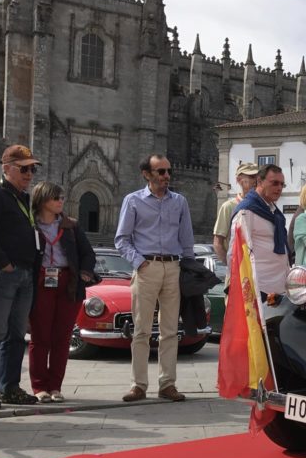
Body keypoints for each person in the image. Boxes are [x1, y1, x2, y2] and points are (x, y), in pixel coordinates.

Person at [115, 154, 195, 403]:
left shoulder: (179, 201)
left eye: (168, 171)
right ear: (147, 174)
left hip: (173, 267)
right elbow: (121, 239)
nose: (166, 176)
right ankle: (138, 385)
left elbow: (187, 239)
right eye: (161, 172)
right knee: (141, 330)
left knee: (170, 330)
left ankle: (167, 384)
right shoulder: (133, 201)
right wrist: (140, 262)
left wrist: (189, 268)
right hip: (146, 267)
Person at [0, 144, 43, 409]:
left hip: (24, 272)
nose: (29, 173)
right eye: (24, 168)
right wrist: (4, 264)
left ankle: (10, 387)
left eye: (32, 169)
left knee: (16, 335)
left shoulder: (24, 198)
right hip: (4, 272)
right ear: (6, 169)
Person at [28, 181, 97, 403]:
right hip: (40, 281)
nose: (61, 201)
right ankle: (39, 387)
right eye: (56, 197)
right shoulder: (30, 225)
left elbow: (87, 253)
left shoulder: (71, 225)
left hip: (68, 282)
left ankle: (55, 386)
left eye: (62, 198)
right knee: (40, 337)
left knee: (62, 338)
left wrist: (85, 273)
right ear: (42, 200)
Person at [230, 163, 290, 297]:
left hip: (279, 289)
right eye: (274, 183)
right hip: (257, 291)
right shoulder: (247, 211)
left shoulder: (274, 212)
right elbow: (234, 254)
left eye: (282, 184)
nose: (279, 188)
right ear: (259, 181)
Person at [213, 162, 258, 263]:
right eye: (251, 176)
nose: (256, 180)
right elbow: (217, 243)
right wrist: (231, 266)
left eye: (257, 176)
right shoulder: (229, 207)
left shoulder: (264, 206)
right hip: (238, 271)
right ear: (239, 180)